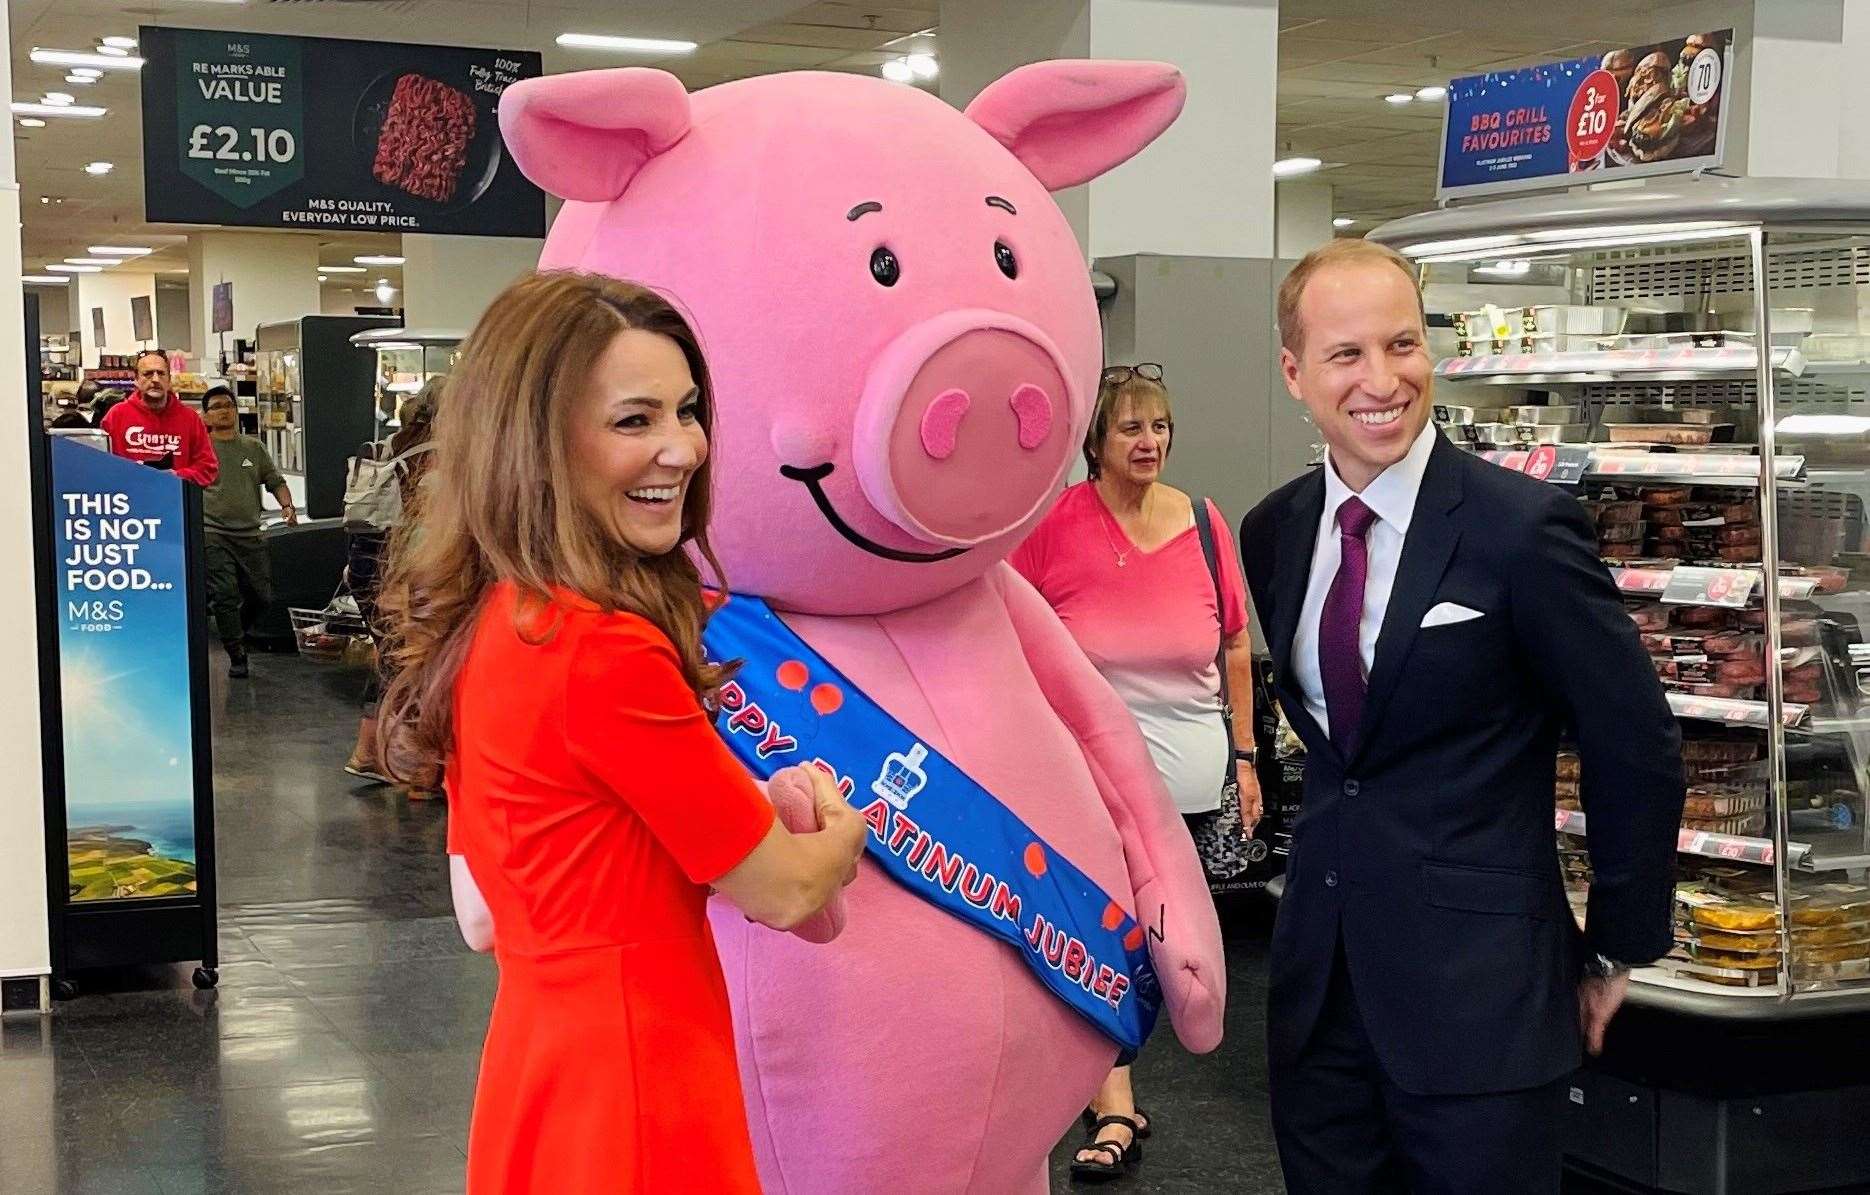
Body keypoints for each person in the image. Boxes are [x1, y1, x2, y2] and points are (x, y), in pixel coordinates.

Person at [373, 270, 867, 1194]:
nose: (682, 447)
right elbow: (790, 888)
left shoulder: (501, 619)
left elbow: (487, 907)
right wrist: (841, 827)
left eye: (686, 411)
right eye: (634, 420)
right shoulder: (603, 653)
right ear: (540, 446)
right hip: (640, 1079)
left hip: (543, 1063)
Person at [1237, 238, 1684, 1193]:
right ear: (1293, 373)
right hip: (1320, 995)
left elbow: (1633, 737)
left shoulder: (1520, 530)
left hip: (1481, 1002)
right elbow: (1335, 756)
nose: (1384, 380)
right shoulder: (1273, 530)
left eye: (1403, 344)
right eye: (1347, 354)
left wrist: (1618, 937)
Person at [1010, 363, 1261, 1182]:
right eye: (1130, 428)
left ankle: (1103, 1079)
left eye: (1159, 427)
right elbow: (1011, 634)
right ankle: (1113, 1099)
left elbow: (1232, 645)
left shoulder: (1202, 518)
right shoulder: (1054, 525)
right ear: (1096, 441)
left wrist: (1248, 756)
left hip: (1191, 784)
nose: (1148, 442)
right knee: (1106, 940)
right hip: (1087, 785)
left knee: (1172, 949)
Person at [342, 379, 441, 793]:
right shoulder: (436, 458)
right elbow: (430, 531)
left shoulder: (394, 445)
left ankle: (371, 755)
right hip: (408, 575)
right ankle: (416, 770)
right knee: (420, 665)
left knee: (393, 660)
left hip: (369, 567)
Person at [202, 385, 297, 678]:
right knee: (225, 593)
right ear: (205, 416)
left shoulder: (253, 448)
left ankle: (234, 630)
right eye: (216, 406)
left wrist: (287, 505)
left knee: (262, 596)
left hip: (250, 534)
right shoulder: (200, 448)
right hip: (212, 532)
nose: (224, 410)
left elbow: (274, 479)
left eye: (228, 405)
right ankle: (236, 654)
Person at [99, 349, 218, 485]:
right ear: (136, 380)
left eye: (161, 373)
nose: (155, 379)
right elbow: (101, 467)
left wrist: (177, 476)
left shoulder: (190, 419)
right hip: (128, 502)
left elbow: (208, 468)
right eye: (148, 374)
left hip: (175, 502)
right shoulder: (116, 416)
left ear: (169, 380)